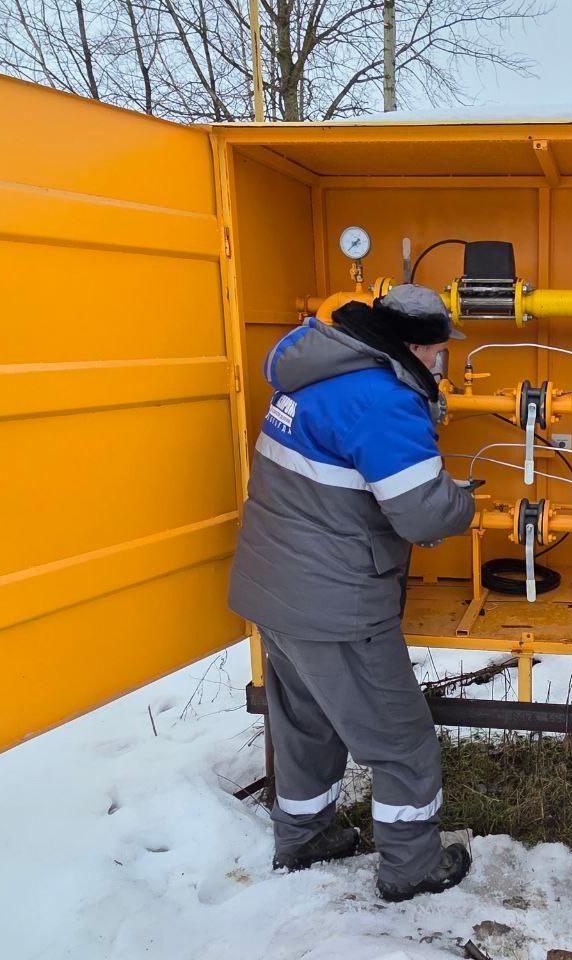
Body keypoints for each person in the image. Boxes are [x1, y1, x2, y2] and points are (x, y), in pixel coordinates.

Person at [228, 283, 478, 901]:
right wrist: (464, 503)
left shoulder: (315, 373)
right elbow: (423, 514)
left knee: (305, 726)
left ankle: (303, 837)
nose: (442, 361)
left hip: (275, 588)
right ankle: (411, 866)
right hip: (335, 603)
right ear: (417, 345)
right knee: (402, 740)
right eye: (440, 350)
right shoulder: (381, 400)